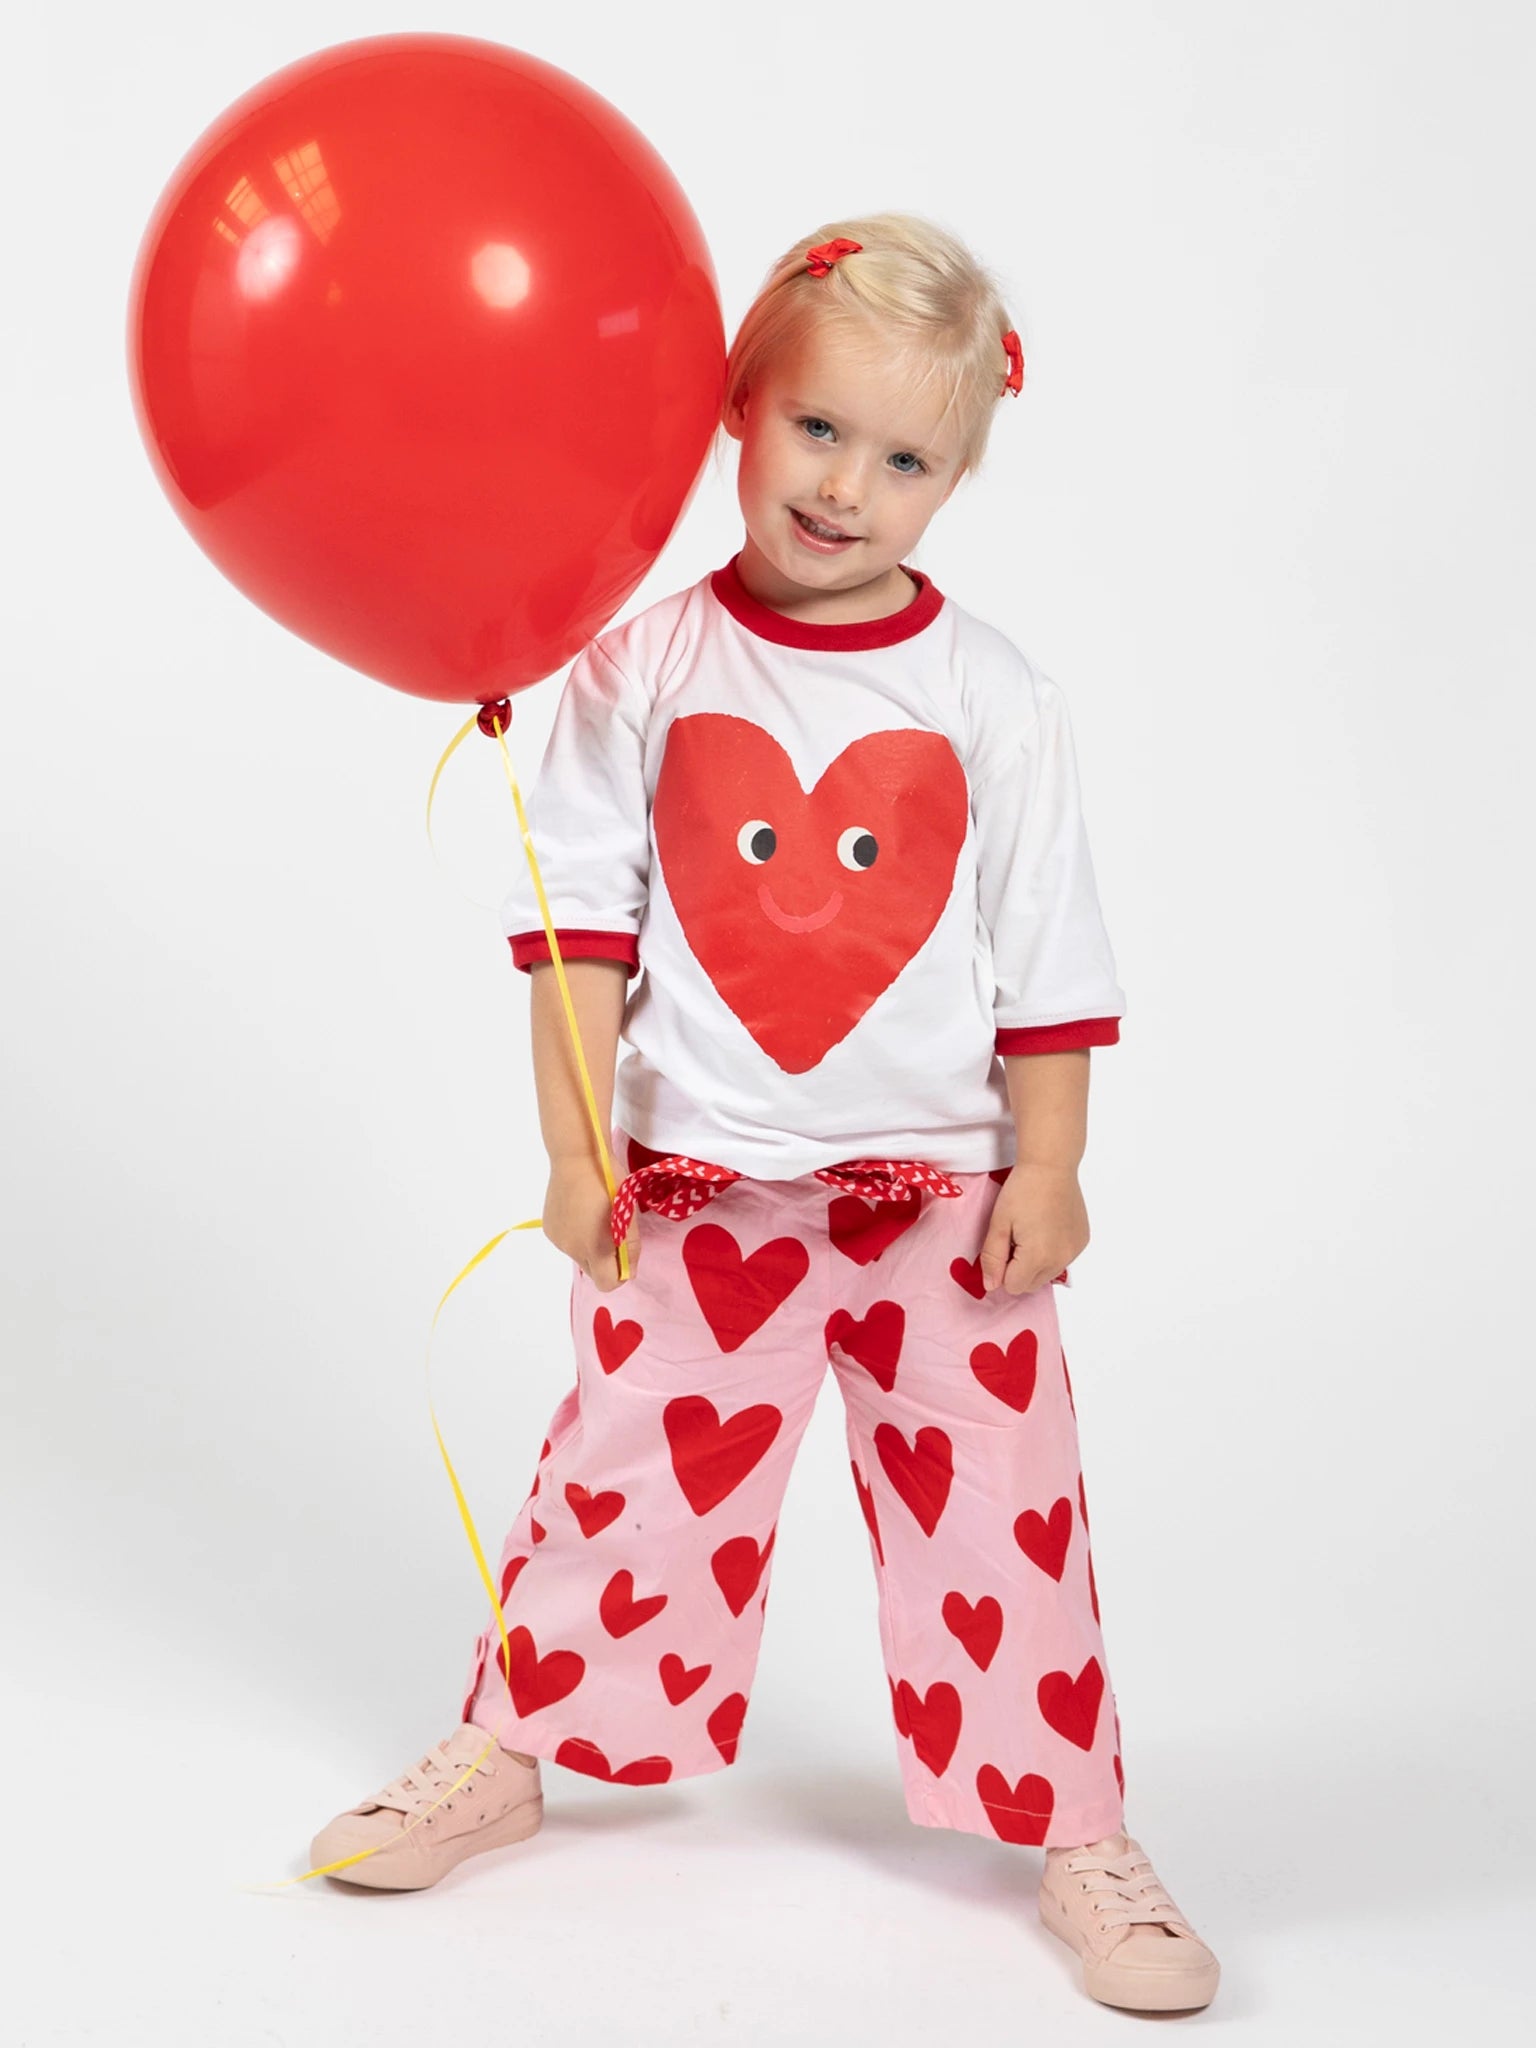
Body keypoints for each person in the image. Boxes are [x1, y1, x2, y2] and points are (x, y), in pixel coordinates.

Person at [309, 214, 1220, 2016]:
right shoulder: (638, 669)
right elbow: (578, 937)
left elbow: (1050, 956)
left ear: (957, 477)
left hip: (944, 1206)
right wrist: (578, 1152)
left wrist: (1056, 1159)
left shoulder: (992, 699)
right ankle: (515, 1746)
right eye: (817, 430)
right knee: (619, 1487)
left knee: (1008, 1518)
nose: (848, 487)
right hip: (698, 1195)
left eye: (906, 459)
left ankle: (1081, 1832)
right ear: (737, 404)